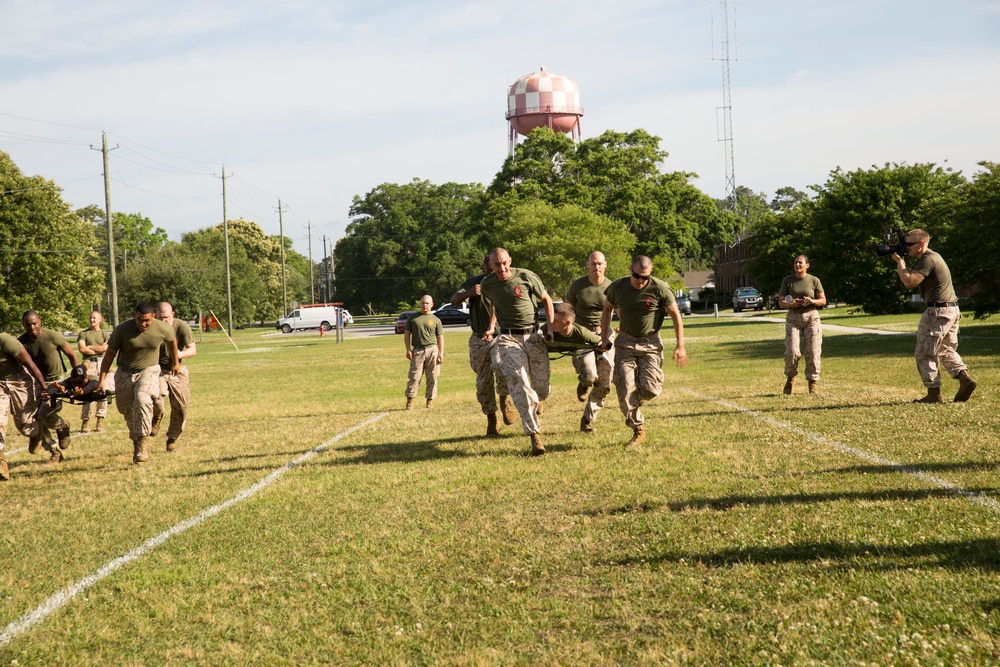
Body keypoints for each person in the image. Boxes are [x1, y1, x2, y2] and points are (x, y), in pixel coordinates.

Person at [600, 256, 688, 447]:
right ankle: (638, 430)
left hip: (651, 344)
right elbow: (607, 309)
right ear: (630, 269)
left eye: (645, 277)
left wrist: (680, 346)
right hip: (625, 343)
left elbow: (675, 315)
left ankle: (638, 398)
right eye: (637, 276)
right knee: (624, 388)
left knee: (650, 389)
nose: (640, 281)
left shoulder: (660, 288)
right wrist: (605, 336)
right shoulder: (618, 287)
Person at [481, 248, 554, 456]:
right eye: (497, 264)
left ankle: (537, 400)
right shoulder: (488, 285)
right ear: (491, 265)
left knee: (541, 388)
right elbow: (494, 303)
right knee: (520, 383)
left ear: (510, 260)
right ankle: (535, 436)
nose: (502, 268)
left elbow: (547, 299)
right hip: (508, 338)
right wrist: (492, 327)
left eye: (504, 263)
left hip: (533, 336)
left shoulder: (526, 276)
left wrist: (549, 329)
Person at [891, 228, 977, 403]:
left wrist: (900, 262)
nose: (905, 247)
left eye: (909, 244)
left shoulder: (928, 259)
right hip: (950, 309)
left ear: (922, 244)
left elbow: (909, 282)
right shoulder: (928, 258)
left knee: (924, 352)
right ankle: (964, 378)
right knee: (945, 349)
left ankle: (934, 394)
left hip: (937, 311)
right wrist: (903, 262)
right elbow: (909, 276)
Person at [98, 302, 178, 464]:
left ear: (153, 317)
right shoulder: (122, 330)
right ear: (134, 315)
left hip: (149, 370)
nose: (143, 324)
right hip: (125, 373)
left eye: (147, 320)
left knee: (142, 398)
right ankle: (137, 440)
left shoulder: (162, 328)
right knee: (127, 411)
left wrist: (175, 362)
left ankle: (142, 443)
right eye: (139, 320)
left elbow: (172, 343)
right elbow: (109, 355)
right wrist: (102, 380)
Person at [451, 256, 514, 436]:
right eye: (489, 268)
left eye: (495, 268)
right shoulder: (474, 282)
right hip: (478, 339)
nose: (493, 271)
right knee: (483, 382)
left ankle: (504, 398)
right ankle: (491, 419)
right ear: (485, 267)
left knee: (501, 365)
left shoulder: (503, 281)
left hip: (500, 335)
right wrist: (469, 293)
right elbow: (454, 299)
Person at [565, 251, 615, 433]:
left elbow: (622, 310)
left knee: (604, 382)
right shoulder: (577, 285)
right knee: (589, 374)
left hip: (604, 332)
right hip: (582, 333)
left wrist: (623, 326)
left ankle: (587, 419)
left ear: (605, 265)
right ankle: (584, 383)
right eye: (593, 264)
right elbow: (566, 308)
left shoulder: (612, 286)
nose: (597, 267)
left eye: (600, 264)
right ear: (588, 265)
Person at [20, 310, 79, 462]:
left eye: (34, 323)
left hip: (57, 382)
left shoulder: (52, 336)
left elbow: (71, 355)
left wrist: (78, 378)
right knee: (35, 418)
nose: (32, 327)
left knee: (45, 413)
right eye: (28, 324)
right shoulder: (22, 342)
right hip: (36, 383)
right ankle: (54, 451)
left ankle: (62, 425)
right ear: (24, 325)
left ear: (40, 321)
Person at [0, 333, 49, 480]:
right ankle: (1, 464)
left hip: (18, 382)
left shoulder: (6, 341)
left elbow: (30, 364)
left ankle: (36, 433)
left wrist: (44, 387)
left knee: (25, 424)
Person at [777, 255, 827, 395]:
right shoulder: (787, 280)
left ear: (807, 265)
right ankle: (790, 379)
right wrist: (791, 303)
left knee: (813, 352)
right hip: (793, 317)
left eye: (800, 262)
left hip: (811, 317)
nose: (797, 265)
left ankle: (813, 383)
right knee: (792, 352)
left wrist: (812, 301)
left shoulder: (814, 280)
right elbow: (781, 302)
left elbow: (822, 300)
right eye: (795, 262)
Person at [151, 302, 196, 452]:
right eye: (160, 318)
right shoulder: (151, 327)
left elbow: (192, 350)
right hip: (157, 369)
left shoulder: (182, 327)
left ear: (173, 314)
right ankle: (156, 417)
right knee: (156, 398)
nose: (163, 321)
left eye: (166, 318)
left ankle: (172, 439)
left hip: (178, 370)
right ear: (155, 316)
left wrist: (178, 355)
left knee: (181, 407)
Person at [403, 295, 445, 410]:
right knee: (414, 376)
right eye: (422, 303)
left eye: (427, 303)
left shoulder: (436, 320)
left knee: (432, 376)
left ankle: (429, 401)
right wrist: (408, 349)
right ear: (420, 304)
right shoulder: (413, 318)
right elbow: (407, 334)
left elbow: (440, 337)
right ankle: (410, 401)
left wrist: (441, 353)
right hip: (418, 350)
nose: (424, 305)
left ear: (432, 304)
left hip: (432, 350)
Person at [77, 309, 112, 432]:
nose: (92, 320)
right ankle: (85, 422)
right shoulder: (83, 334)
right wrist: (98, 348)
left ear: (100, 319)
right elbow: (82, 349)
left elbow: (105, 349)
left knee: (102, 391)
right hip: (88, 364)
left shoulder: (104, 334)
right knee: (87, 392)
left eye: (94, 318)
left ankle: (100, 421)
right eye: (91, 317)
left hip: (102, 363)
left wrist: (90, 347)